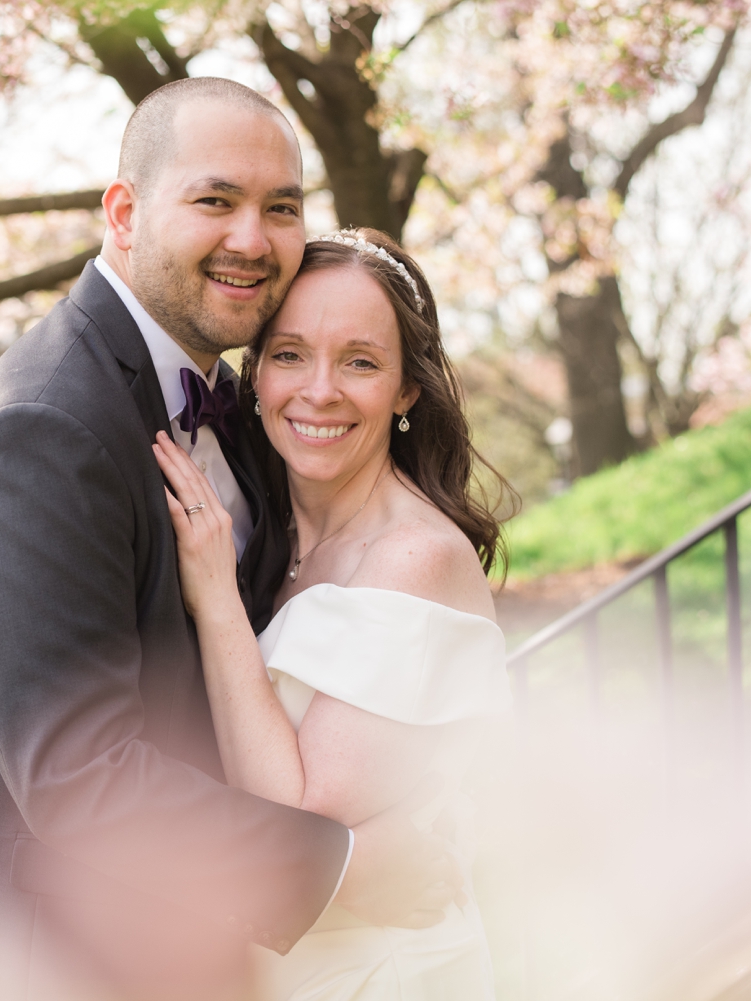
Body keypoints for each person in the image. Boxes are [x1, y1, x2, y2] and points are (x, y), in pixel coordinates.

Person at [0, 77, 464, 1001]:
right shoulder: (37, 429)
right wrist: (346, 867)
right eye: (214, 200)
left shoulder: (234, 411)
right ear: (124, 212)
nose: (252, 238)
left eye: (281, 207)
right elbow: (80, 776)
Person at [152, 227, 512, 998]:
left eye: (360, 361)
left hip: (383, 972)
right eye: (288, 354)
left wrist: (215, 603)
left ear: (406, 389)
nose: (319, 389)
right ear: (255, 374)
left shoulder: (413, 558)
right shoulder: (267, 532)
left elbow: (298, 824)